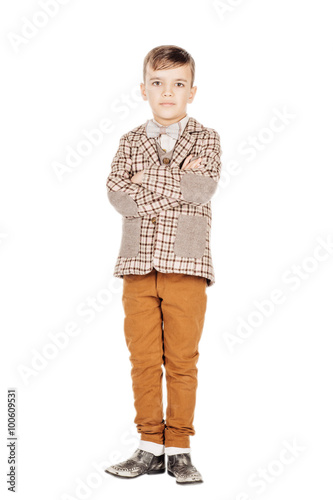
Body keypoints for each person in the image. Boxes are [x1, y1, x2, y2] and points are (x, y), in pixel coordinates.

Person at [104, 44, 222, 485]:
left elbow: (201, 190)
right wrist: (176, 180)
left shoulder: (207, 138)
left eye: (178, 84)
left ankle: (179, 448)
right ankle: (150, 445)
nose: (167, 92)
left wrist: (145, 179)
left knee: (182, 359)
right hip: (137, 265)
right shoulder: (130, 141)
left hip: (187, 264)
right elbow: (118, 195)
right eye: (158, 83)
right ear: (143, 89)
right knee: (143, 357)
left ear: (192, 91)